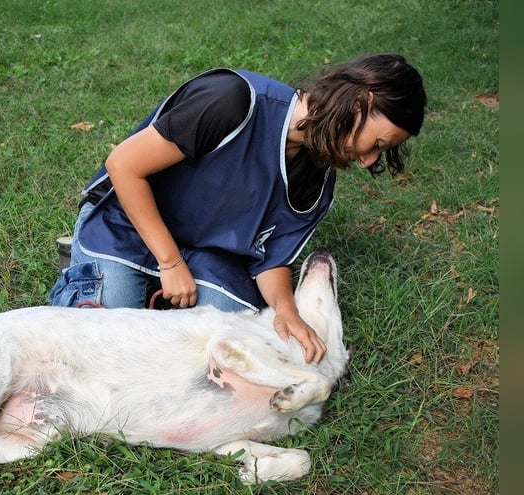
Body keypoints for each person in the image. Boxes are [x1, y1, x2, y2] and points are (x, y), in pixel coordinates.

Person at [48, 54, 426, 362]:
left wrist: (286, 308)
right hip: (125, 229)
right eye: (377, 143)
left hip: (208, 255)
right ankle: (88, 267)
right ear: (361, 105)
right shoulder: (234, 100)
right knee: (103, 348)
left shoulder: (318, 176)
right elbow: (124, 166)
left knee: (240, 345)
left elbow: (270, 258)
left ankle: (146, 295)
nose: (366, 161)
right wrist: (170, 262)